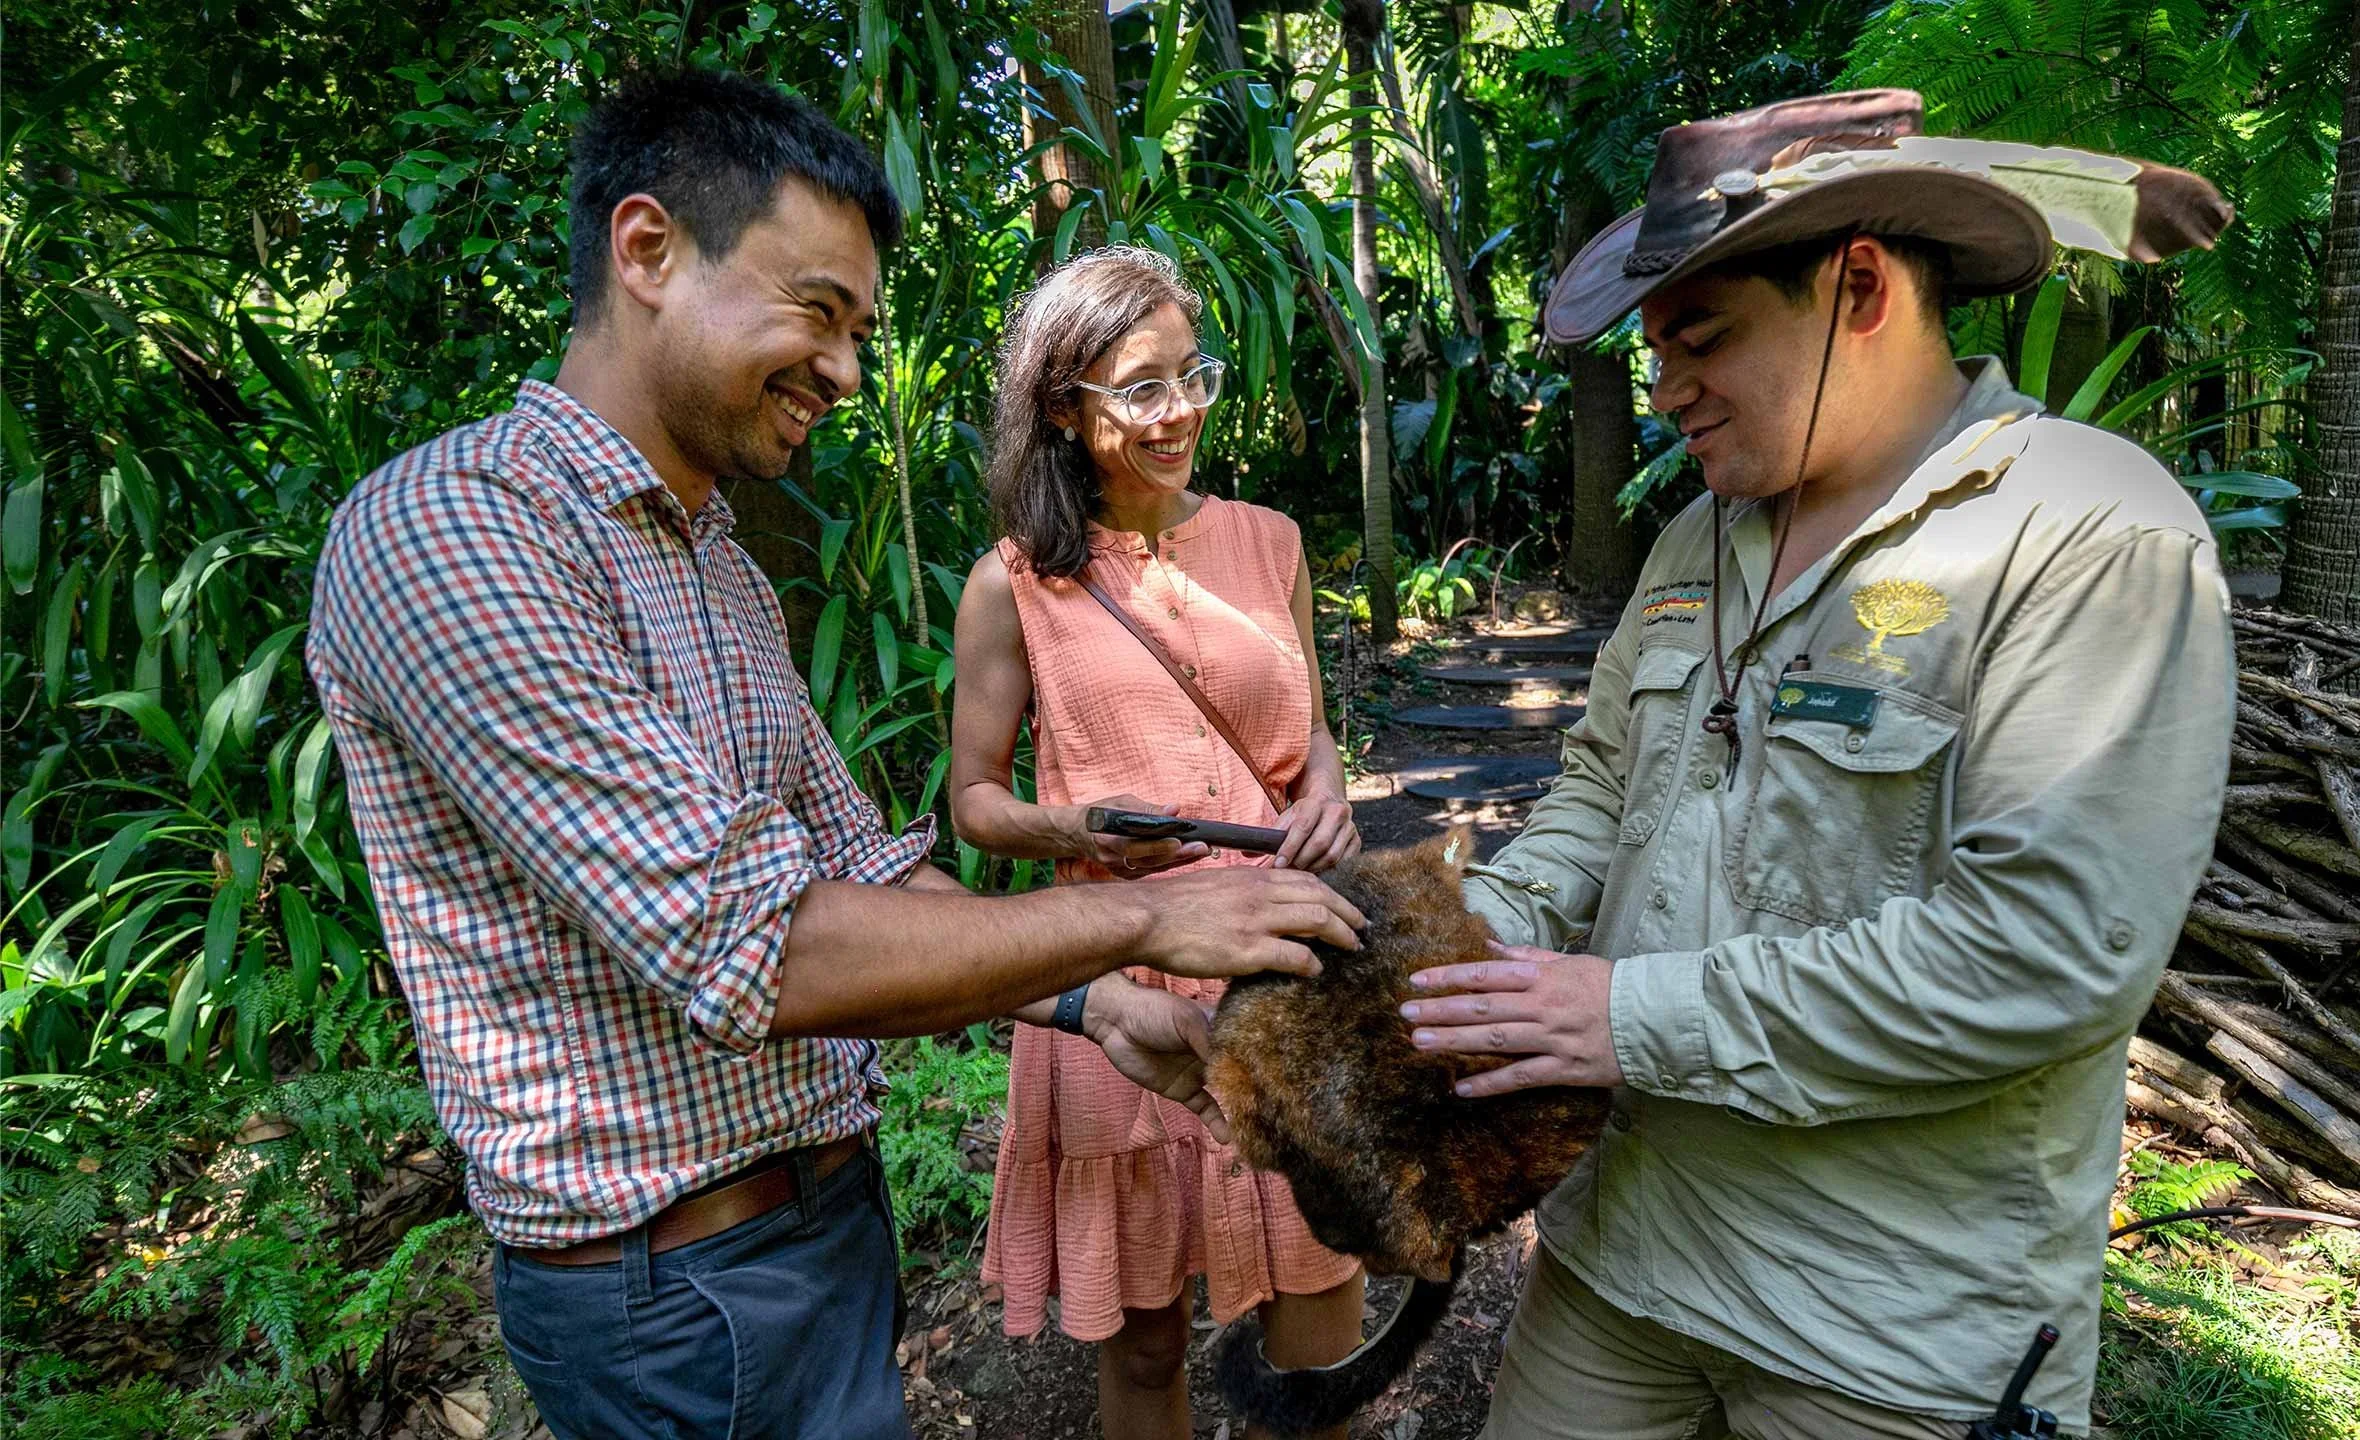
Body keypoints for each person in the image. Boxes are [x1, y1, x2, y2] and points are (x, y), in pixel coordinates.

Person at [305, 71, 1365, 1440]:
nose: (849, 372)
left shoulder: (715, 568)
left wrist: (1095, 1003)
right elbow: (750, 942)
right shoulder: (462, 528)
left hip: (814, 1226)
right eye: (818, 312)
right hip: (664, 1287)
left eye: (858, 332)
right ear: (647, 251)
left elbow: (860, 861)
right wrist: (1149, 917)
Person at [1392, 90, 2238, 1437]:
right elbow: (1605, 789)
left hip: (1891, 1321)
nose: (1665, 392)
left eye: (1701, 339)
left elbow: (2044, 953)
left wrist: (1624, 1017)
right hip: (1624, 1255)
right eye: (1654, 352)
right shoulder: (1697, 539)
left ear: (1859, 289)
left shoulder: (2085, 530)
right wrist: (1478, 938)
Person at [950, 246, 1366, 1440]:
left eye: (1192, 375)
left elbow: (1304, 730)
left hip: (1281, 966)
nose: (1178, 409)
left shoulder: (1269, 540)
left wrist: (1326, 792)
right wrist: (1070, 827)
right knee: (1140, 1347)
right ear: (1062, 407)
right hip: (1113, 983)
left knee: (1319, 1310)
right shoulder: (1012, 585)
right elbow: (972, 799)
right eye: (1140, 388)